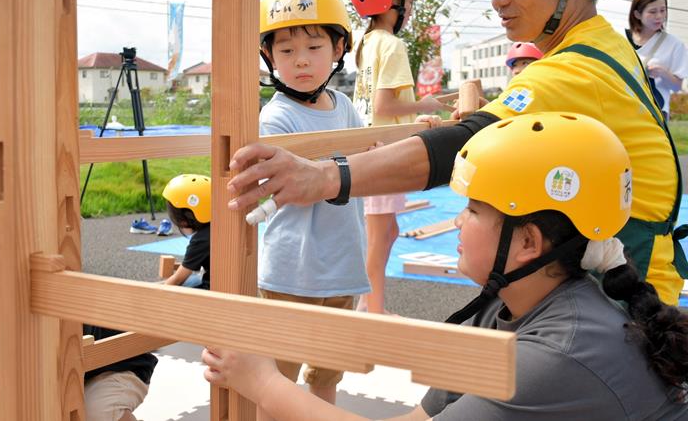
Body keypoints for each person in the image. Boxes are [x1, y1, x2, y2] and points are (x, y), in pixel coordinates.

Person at [225, 0, 687, 306]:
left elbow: (466, 145)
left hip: (626, 290)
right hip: (620, 270)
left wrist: (324, 177)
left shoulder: (575, 69)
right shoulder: (601, 43)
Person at [204, 112, 688, 420]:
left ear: (528, 243)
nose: (458, 219)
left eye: (474, 210)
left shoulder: (557, 353)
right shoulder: (507, 306)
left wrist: (262, 382)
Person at [0, 212, 157, 421]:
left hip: (117, 366)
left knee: (93, 412)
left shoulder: (51, 317)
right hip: (69, 376)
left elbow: (59, 385)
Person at [257, 0, 370, 405]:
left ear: (339, 47)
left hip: (342, 262)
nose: (301, 60)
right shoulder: (276, 118)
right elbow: (294, 188)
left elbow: (365, 162)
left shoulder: (344, 106)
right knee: (278, 380)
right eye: (286, 51)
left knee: (327, 375)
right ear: (269, 56)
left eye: (315, 46)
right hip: (292, 268)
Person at [350, 0, 450, 314]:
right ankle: (371, 312)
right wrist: (427, 102)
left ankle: (369, 305)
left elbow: (378, 106)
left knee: (386, 233)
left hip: (369, 147)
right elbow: (386, 104)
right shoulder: (393, 46)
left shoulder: (366, 42)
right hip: (383, 154)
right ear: (393, 0)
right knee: (378, 240)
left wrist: (416, 111)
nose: (410, 4)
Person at [627, 0, 688, 120]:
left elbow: (678, 86)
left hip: (655, 112)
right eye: (652, 12)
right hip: (624, 106)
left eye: (663, 10)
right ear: (637, 14)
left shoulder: (674, 44)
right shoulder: (622, 40)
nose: (659, 16)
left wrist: (663, 73)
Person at [161, 174, 212, 289]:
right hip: (228, 286)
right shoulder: (217, 227)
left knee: (184, 285)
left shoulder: (201, 239)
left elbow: (178, 279)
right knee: (194, 278)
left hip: (214, 289)